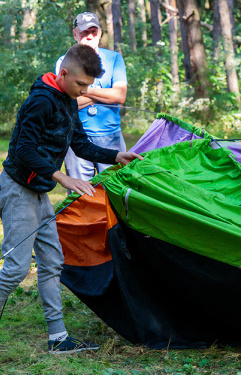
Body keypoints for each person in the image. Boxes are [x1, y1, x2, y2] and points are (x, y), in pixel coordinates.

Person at [0, 44, 143, 353]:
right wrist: (61, 176)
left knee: (52, 262)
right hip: (18, 190)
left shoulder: (68, 100)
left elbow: (79, 143)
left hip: (38, 191)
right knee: (15, 268)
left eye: (89, 86)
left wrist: (116, 155)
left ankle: (58, 339)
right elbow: (23, 150)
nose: (85, 91)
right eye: (81, 84)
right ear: (63, 74)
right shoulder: (40, 101)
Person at [56, 12, 128, 181]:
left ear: (100, 34)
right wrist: (105, 94)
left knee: (115, 190)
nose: (89, 36)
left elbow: (120, 95)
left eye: (93, 32)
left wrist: (83, 92)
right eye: (84, 32)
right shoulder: (64, 62)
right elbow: (67, 103)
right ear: (75, 34)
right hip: (76, 138)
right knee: (80, 196)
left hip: (112, 137)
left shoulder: (114, 58)